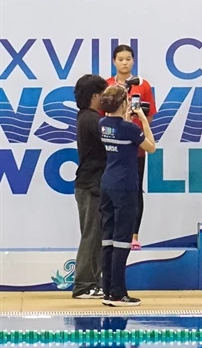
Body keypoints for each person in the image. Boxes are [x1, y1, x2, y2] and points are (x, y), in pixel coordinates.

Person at [99, 85, 156, 307]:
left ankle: (107, 290)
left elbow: (115, 124)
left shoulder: (102, 124)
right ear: (124, 104)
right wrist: (141, 118)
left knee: (107, 239)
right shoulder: (130, 129)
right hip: (125, 187)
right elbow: (151, 147)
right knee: (122, 241)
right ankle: (118, 293)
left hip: (107, 184)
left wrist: (125, 115)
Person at [105, 44, 157, 250]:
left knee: (135, 191)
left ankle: (134, 235)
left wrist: (136, 131)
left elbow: (149, 115)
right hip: (113, 147)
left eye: (128, 59)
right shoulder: (107, 86)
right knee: (112, 190)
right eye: (120, 59)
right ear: (114, 62)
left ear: (133, 61)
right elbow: (103, 116)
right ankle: (112, 234)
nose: (125, 62)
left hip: (136, 147)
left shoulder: (142, 85)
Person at [71, 74, 108, 299]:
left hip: (91, 183)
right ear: (95, 96)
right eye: (103, 95)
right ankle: (83, 284)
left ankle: (92, 282)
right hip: (90, 184)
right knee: (91, 235)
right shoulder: (92, 120)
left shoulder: (87, 117)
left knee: (95, 236)